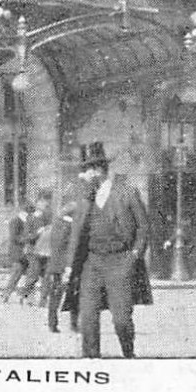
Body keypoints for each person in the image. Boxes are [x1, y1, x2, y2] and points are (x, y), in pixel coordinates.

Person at [62, 147, 153, 359]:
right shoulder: (85, 198)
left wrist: (135, 255)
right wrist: (69, 266)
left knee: (121, 319)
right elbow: (76, 233)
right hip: (91, 263)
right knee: (88, 318)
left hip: (120, 261)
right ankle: (91, 361)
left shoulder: (127, 193)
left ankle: (128, 355)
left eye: (87, 171)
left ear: (99, 170)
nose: (82, 176)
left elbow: (143, 227)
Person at [40, 197, 78, 334]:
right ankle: (73, 325)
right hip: (67, 264)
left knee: (55, 295)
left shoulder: (56, 223)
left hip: (55, 264)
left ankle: (52, 323)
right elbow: (69, 246)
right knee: (73, 294)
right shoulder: (70, 226)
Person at [4, 200, 44, 303]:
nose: (30, 216)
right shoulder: (15, 221)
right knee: (17, 273)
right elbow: (14, 238)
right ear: (23, 212)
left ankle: (26, 296)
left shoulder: (29, 221)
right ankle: (6, 294)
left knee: (31, 273)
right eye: (28, 213)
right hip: (18, 252)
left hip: (27, 252)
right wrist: (32, 236)